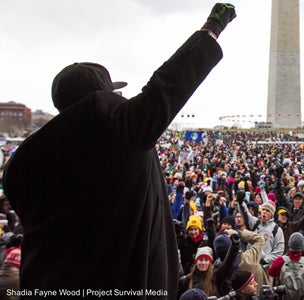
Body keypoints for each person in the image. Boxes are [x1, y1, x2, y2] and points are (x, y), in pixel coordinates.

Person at [1, 3, 236, 293]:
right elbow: (166, 88)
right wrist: (211, 30)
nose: (123, 97)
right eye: (115, 94)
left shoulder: (26, 165)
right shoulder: (119, 134)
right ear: (99, 102)